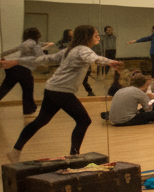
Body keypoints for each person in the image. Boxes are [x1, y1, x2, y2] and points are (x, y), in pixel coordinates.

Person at [3, 25, 123, 162]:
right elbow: (93, 58)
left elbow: (45, 59)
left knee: (41, 120)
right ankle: (74, 155)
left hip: (52, 89)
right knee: (84, 120)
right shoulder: (83, 50)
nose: (98, 37)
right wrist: (110, 62)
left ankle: (15, 151)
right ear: (86, 36)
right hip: (61, 91)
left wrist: (16, 61)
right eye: (95, 35)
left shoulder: (70, 50)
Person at [1, 27, 44, 115]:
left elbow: (12, 51)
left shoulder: (25, 43)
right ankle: (29, 109)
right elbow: (40, 56)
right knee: (28, 90)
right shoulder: (34, 43)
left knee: (4, 88)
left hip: (14, 69)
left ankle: (30, 108)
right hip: (23, 69)